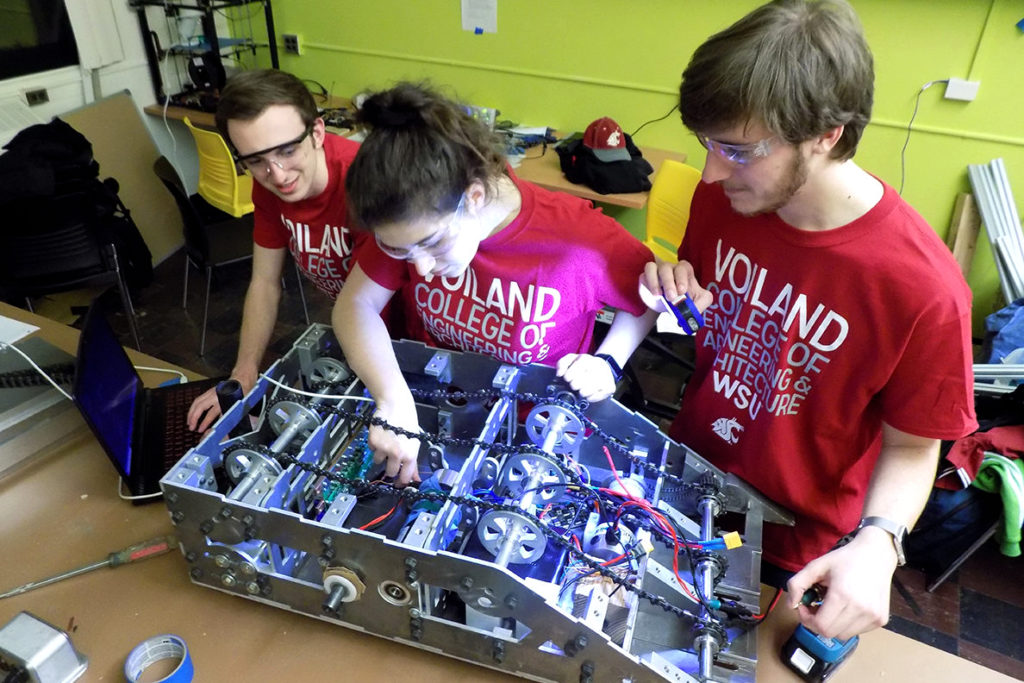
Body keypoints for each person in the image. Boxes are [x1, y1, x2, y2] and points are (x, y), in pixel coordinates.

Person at [644, 0, 977, 641]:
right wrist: (671, 289)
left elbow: (915, 446)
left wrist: (880, 543)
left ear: (826, 134)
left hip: (792, 544)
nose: (711, 172)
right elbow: (705, 314)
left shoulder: (925, 290)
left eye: (738, 150)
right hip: (685, 479)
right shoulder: (725, 199)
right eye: (708, 144)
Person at [334, 82, 657, 486]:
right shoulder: (409, 214)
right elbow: (355, 305)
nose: (420, 268)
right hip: (436, 412)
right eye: (399, 250)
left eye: (432, 243)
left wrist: (609, 360)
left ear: (473, 197)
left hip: (532, 437)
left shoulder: (579, 239)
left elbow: (650, 294)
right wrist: (392, 399)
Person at [187, 69, 375, 433]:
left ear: (317, 132)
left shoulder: (364, 182)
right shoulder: (270, 185)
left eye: (287, 151)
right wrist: (243, 375)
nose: (277, 174)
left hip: (407, 336)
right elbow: (264, 282)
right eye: (256, 160)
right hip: (354, 328)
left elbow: (368, 305)